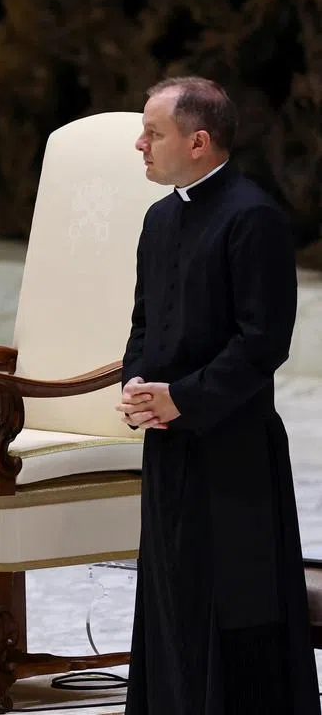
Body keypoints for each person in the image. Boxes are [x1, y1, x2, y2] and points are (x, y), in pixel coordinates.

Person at [118, 76, 319, 714]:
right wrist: (135, 384)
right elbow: (144, 322)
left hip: (234, 445)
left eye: (153, 133)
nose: (140, 144)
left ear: (198, 141)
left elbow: (263, 342)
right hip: (168, 443)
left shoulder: (253, 217)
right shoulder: (159, 217)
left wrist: (184, 399)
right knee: (171, 592)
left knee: (236, 599)